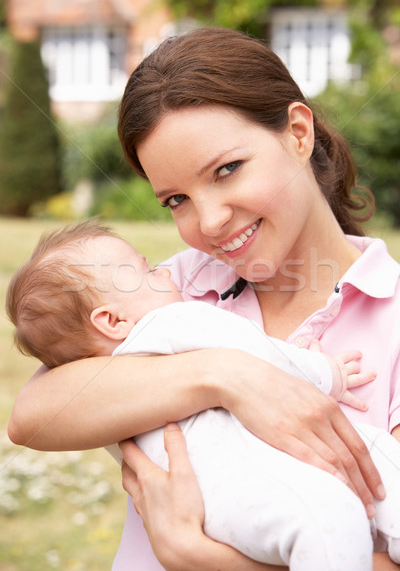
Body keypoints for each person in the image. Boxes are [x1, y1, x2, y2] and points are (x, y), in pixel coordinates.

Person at [7, 26, 400, 570]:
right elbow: (34, 415)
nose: (210, 221)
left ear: (298, 133)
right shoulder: (176, 289)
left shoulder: (392, 320)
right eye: (176, 199)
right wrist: (230, 376)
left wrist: (199, 557)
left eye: (227, 169)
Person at [6, 220, 400, 569]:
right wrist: (326, 373)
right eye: (149, 271)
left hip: (224, 508)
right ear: (111, 320)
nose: (167, 274)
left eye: (229, 168)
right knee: (352, 486)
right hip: (256, 484)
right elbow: (255, 352)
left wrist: (204, 558)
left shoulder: (107, 374)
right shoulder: (172, 316)